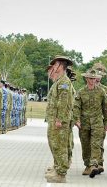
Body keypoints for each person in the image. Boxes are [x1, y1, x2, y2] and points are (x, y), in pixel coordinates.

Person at [73, 69, 107, 178]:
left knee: (96, 144)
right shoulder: (81, 92)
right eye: (91, 78)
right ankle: (87, 165)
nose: (93, 80)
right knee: (85, 145)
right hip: (84, 123)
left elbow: (106, 108)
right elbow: (76, 107)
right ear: (86, 79)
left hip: (97, 123)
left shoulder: (101, 92)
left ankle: (94, 165)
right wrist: (76, 119)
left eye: (94, 78)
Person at [44, 55, 73, 183]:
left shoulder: (64, 82)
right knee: (54, 145)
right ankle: (57, 168)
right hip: (54, 119)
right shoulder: (59, 81)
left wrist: (59, 119)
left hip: (59, 121)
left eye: (55, 65)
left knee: (60, 146)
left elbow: (63, 102)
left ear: (61, 66)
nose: (54, 67)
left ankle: (61, 174)